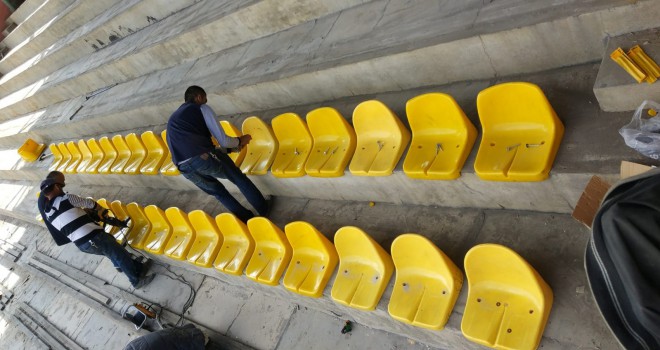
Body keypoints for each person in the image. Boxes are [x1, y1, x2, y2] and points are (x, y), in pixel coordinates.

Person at [166, 85, 268, 222]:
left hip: (184, 168)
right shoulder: (201, 108)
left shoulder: (177, 118)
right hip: (201, 157)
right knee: (238, 178)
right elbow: (223, 141)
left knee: (219, 193)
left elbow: (201, 151)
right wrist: (240, 140)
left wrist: (231, 149)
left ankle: (246, 219)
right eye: (205, 98)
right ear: (199, 97)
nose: (207, 101)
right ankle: (264, 209)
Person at [40, 176, 154, 289]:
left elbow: (68, 218)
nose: (62, 189)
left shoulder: (48, 214)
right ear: (56, 186)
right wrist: (100, 210)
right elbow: (89, 203)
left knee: (114, 252)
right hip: (93, 237)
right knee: (119, 255)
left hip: (83, 245)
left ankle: (138, 268)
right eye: (60, 186)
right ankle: (136, 281)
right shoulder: (66, 198)